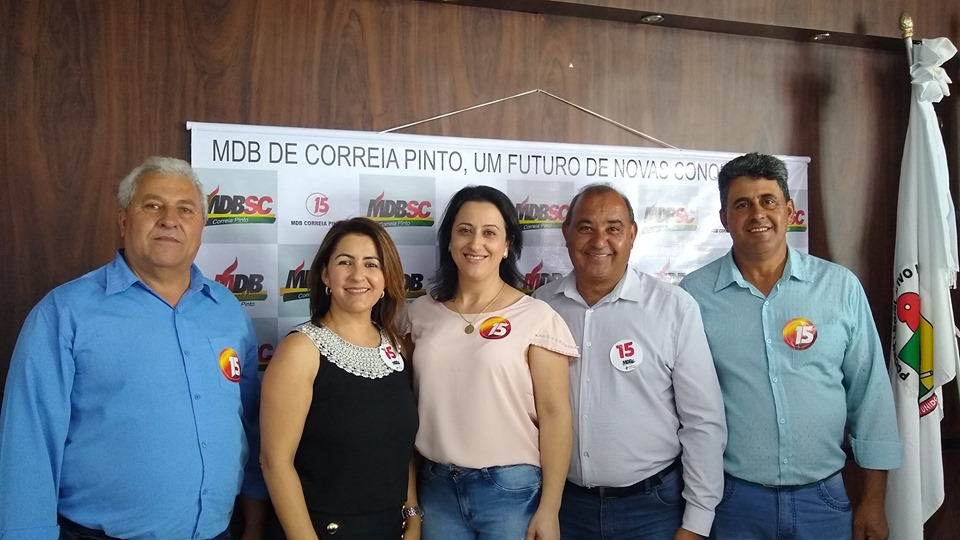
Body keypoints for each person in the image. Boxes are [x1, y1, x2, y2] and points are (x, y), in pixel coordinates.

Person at [0, 156, 266, 539]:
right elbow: (29, 442)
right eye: (153, 205)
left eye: (185, 209)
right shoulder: (64, 313)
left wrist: (256, 518)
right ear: (124, 220)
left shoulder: (227, 310)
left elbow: (250, 422)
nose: (169, 219)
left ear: (201, 226)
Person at [679, 152, 903, 540]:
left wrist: (873, 500)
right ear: (724, 219)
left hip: (824, 500)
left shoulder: (839, 287)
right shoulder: (693, 296)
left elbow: (870, 396)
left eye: (768, 201)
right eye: (742, 204)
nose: (757, 214)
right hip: (732, 501)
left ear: (789, 211)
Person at [533, 184, 727, 540]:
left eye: (614, 228)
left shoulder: (673, 308)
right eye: (586, 227)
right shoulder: (539, 308)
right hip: (563, 508)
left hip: (652, 510)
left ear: (632, 234)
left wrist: (697, 521)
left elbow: (703, 421)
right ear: (566, 232)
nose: (599, 240)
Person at [403, 185, 577, 540]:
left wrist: (550, 508)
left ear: (508, 244)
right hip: (436, 489)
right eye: (464, 230)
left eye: (490, 233)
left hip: (512, 494)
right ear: (449, 240)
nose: (476, 243)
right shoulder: (418, 314)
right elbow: (402, 409)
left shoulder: (537, 317)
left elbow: (556, 417)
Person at [259, 217, 419, 539]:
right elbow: (275, 462)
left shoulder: (398, 347)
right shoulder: (300, 350)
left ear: (386, 278)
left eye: (371, 264)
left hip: (390, 528)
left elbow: (402, 449)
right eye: (345, 262)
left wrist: (413, 515)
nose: (358, 275)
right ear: (325, 275)